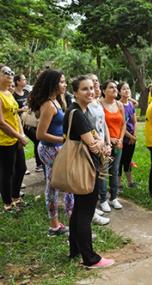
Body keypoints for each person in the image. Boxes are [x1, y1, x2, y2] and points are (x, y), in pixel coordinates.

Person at [66, 75, 114, 268]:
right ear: (75, 93)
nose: (90, 92)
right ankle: (90, 258)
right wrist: (103, 144)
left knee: (78, 210)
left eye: (91, 88)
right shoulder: (78, 113)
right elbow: (93, 145)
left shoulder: (76, 111)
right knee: (85, 212)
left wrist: (99, 143)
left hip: (80, 165)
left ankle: (75, 249)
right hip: (85, 167)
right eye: (84, 89)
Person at [28, 69, 73, 236]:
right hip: (50, 149)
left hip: (55, 148)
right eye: (62, 82)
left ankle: (64, 222)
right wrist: (62, 139)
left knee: (60, 186)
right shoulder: (48, 105)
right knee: (60, 186)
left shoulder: (56, 101)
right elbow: (40, 134)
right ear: (53, 84)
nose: (65, 84)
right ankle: (60, 224)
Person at [0, 65, 28, 212]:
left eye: (11, 72)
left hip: (16, 138)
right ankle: (8, 203)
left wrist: (21, 134)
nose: (10, 74)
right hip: (4, 141)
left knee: (21, 168)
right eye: (6, 72)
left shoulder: (8, 93)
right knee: (7, 172)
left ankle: (16, 197)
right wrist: (19, 136)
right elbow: (1, 123)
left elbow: (15, 115)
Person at [86, 74, 110, 226]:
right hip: (92, 145)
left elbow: (104, 124)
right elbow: (87, 127)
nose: (95, 83)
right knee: (91, 178)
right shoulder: (85, 104)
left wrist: (107, 142)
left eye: (96, 81)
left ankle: (96, 204)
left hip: (102, 144)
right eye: (91, 82)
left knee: (100, 175)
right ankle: (91, 210)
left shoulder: (97, 102)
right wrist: (98, 143)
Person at [99, 80, 125, 212]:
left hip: (118, 143)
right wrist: (108, 141)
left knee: (115, 171)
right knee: (103, 171)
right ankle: (103, 199)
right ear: (104, 91)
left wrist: (120, 139)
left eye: (115, 87)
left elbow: (124, 123)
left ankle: (113, 197)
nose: (115, 89)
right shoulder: (99, 104)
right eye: (111, 87)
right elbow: (99, 125)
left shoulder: (120, 104)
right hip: (105, 144)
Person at [14, 74, 43, 173]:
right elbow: (11, 110)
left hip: (29, 120)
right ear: (17, 81)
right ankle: (22, 167)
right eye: (23, 79)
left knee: (37, 139)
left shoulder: (26, 92)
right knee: (30, 140)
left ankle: (38, 164)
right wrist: (21, 109)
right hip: (20, 122)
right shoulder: (13, 94)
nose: (25, 81)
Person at [118, 82, 137, 189]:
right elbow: (121, 125)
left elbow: (134, 121)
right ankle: (119, 184)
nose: (127, 90)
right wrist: (130, 137)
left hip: (131, 137)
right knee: (120, 161)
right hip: (122, 137)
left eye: (128, 88)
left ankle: (130, 182)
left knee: (128, 160)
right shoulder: (118, 105)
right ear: (119, 92)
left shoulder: (130, 104)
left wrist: (134, 135)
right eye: (124, 89)